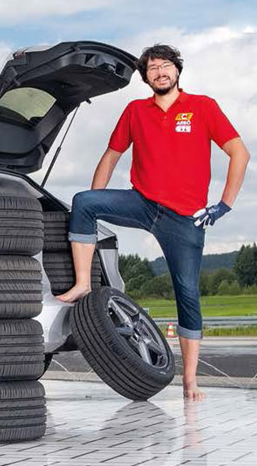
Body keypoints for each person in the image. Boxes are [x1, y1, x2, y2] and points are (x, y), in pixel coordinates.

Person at [55, 44, 249, 401]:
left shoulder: (203, 106)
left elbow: (240, 152)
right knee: (84, 202)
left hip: (185, 218)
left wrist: (224, 205)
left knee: (187, 294)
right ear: (145, 77)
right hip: (142, 203)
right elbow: (111, 155)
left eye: (165, 65)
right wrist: (97, 200)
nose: (160, 72)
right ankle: (83, 284)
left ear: (177, 70)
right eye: (153, 68)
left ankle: (189, 380)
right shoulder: (135, 111)